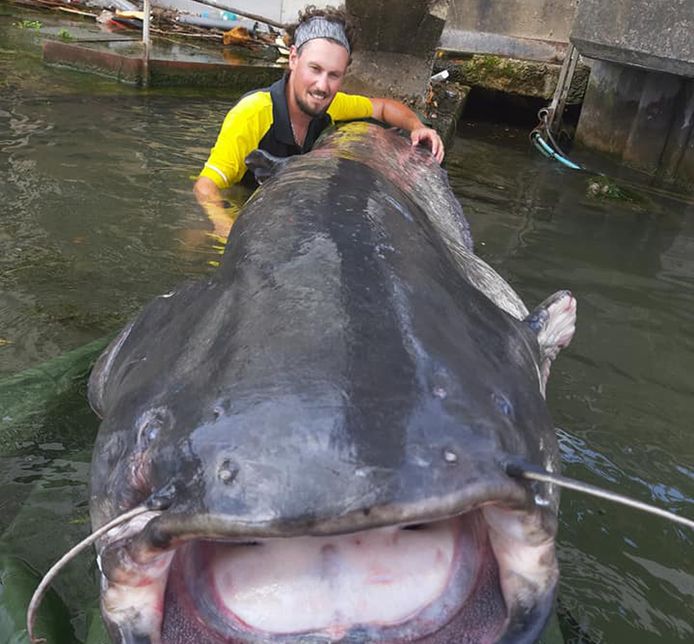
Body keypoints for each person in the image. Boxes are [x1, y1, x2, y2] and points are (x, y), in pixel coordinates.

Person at [193, 5, 444, 235]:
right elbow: (205, 186)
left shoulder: (331, 105)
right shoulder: (251, 114)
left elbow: (384, 108)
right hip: (245, 206)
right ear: (293, 59)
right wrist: (224, 222)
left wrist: (417, 127)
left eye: (334, 75)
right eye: (315, 69)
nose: (322, 86)